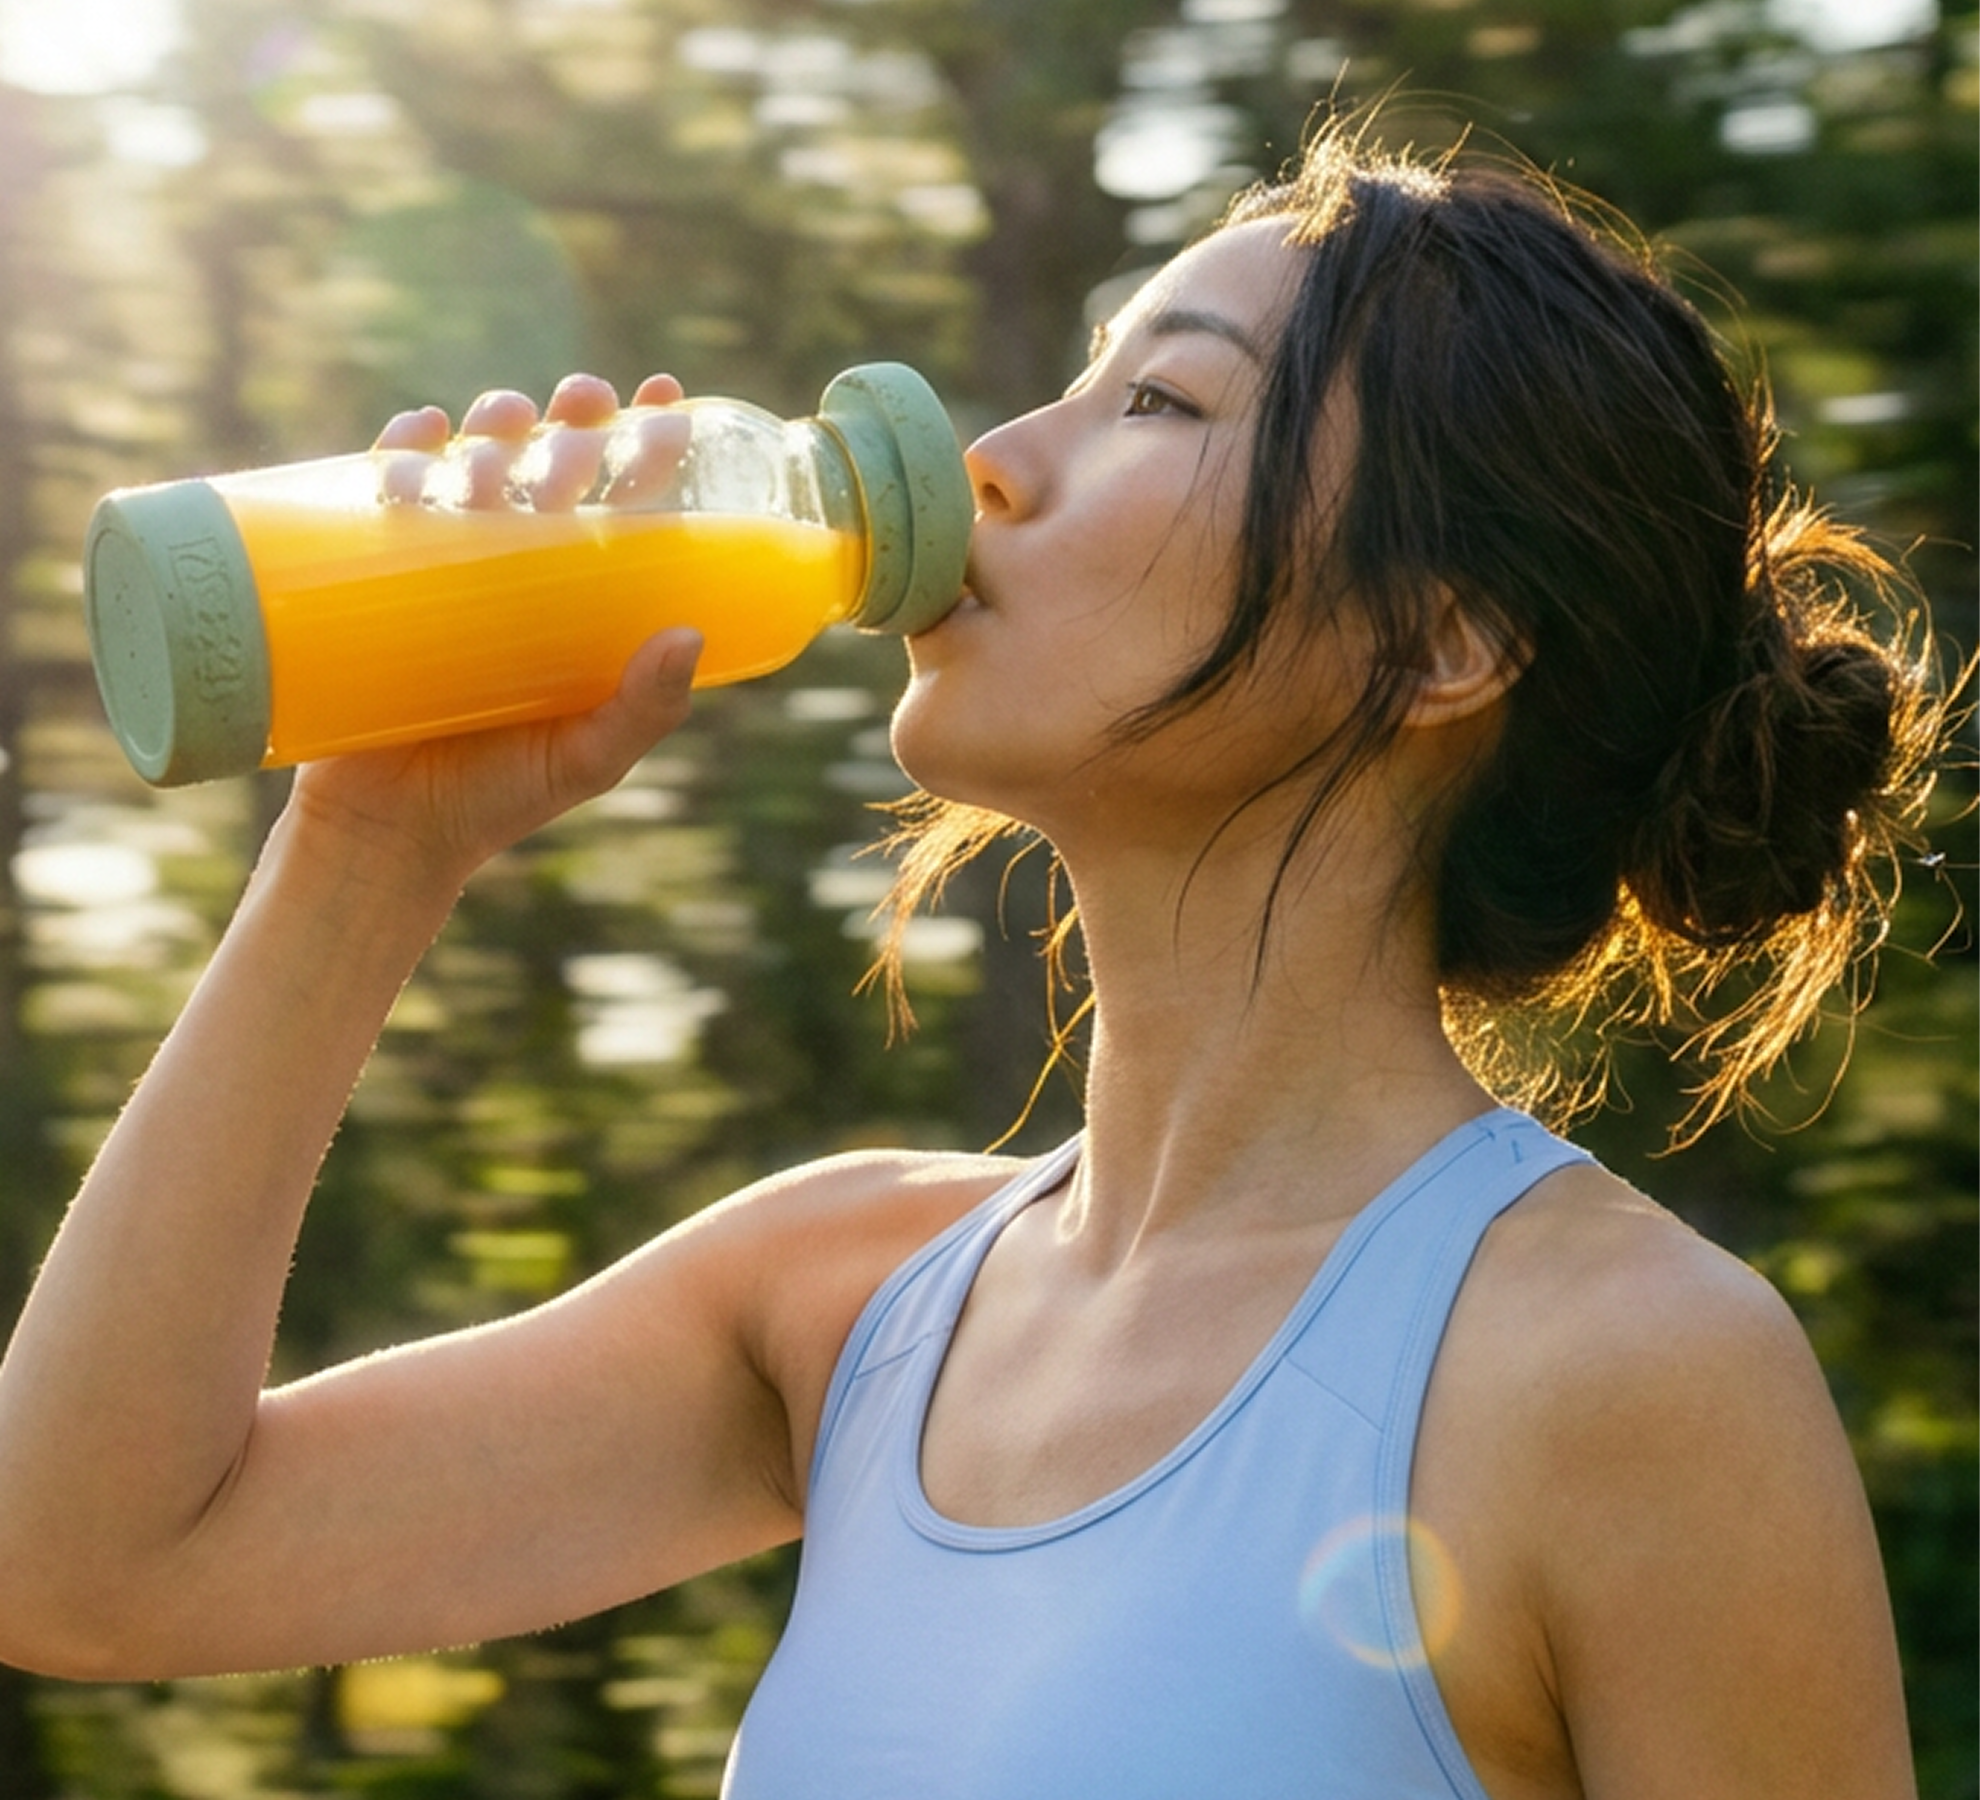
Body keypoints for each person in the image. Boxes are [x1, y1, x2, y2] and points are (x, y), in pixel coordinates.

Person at [0, 118, 1950, 1798]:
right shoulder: (841, 1298)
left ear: (1444, 639)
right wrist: (369, 847)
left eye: (1164, 402)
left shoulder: (1628, 1375)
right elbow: (90, 1560)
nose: (995, 455)